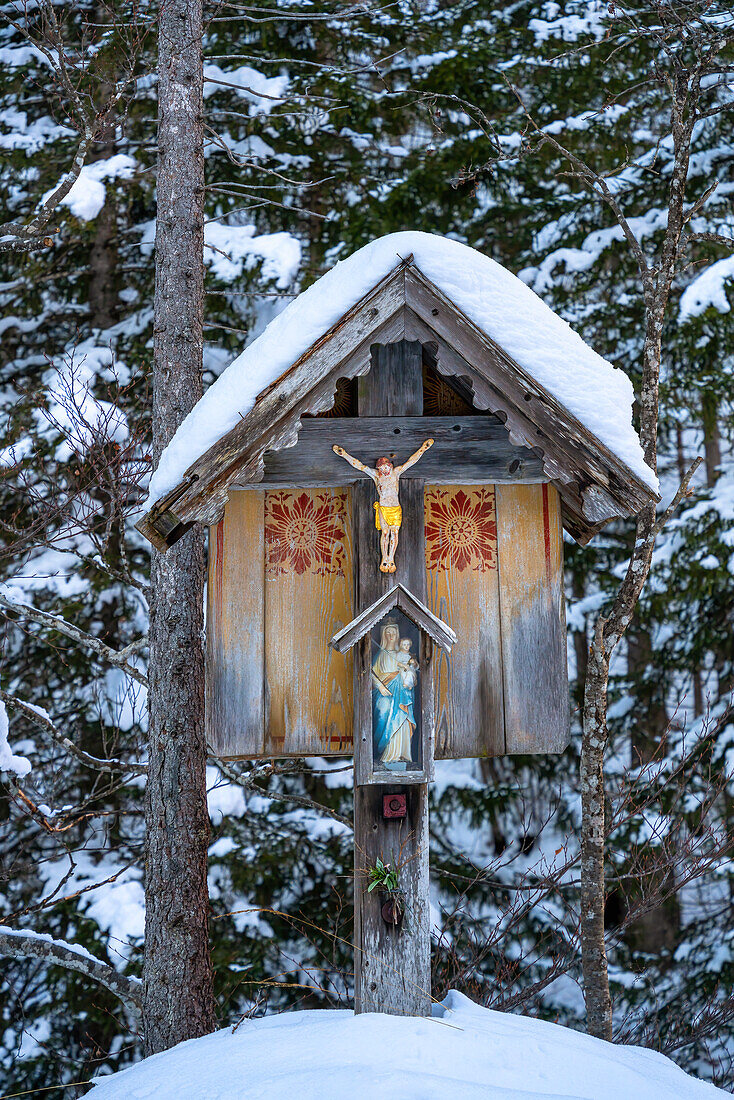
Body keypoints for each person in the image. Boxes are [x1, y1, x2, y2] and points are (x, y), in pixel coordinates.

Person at [332, 438, 434, 572]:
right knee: (385, 533)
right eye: (381, 467)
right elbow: (359, 465)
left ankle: (391, 559)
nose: (384, 470)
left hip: (395, 508)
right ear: (379, 468)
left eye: (386, 466)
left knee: (395, 533)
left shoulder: (396, 473)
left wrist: (423, 448)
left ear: (390, 466)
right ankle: (384, 559)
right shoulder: (376, 476)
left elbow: (411, 461)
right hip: (383, 508)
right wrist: (344, 454)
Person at [371, 624, 418, 768]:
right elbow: (371, 674)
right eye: (388, 633)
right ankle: (386, 752)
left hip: (402, 694)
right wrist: (380, 686)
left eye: (393, 633)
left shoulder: (401, 654)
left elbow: (412, 671)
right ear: (383, 635)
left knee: (402, 718)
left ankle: (401, 753)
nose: (391, 636)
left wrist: (410, 669)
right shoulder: (381, 654)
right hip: (385, 693)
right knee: (384, 713)